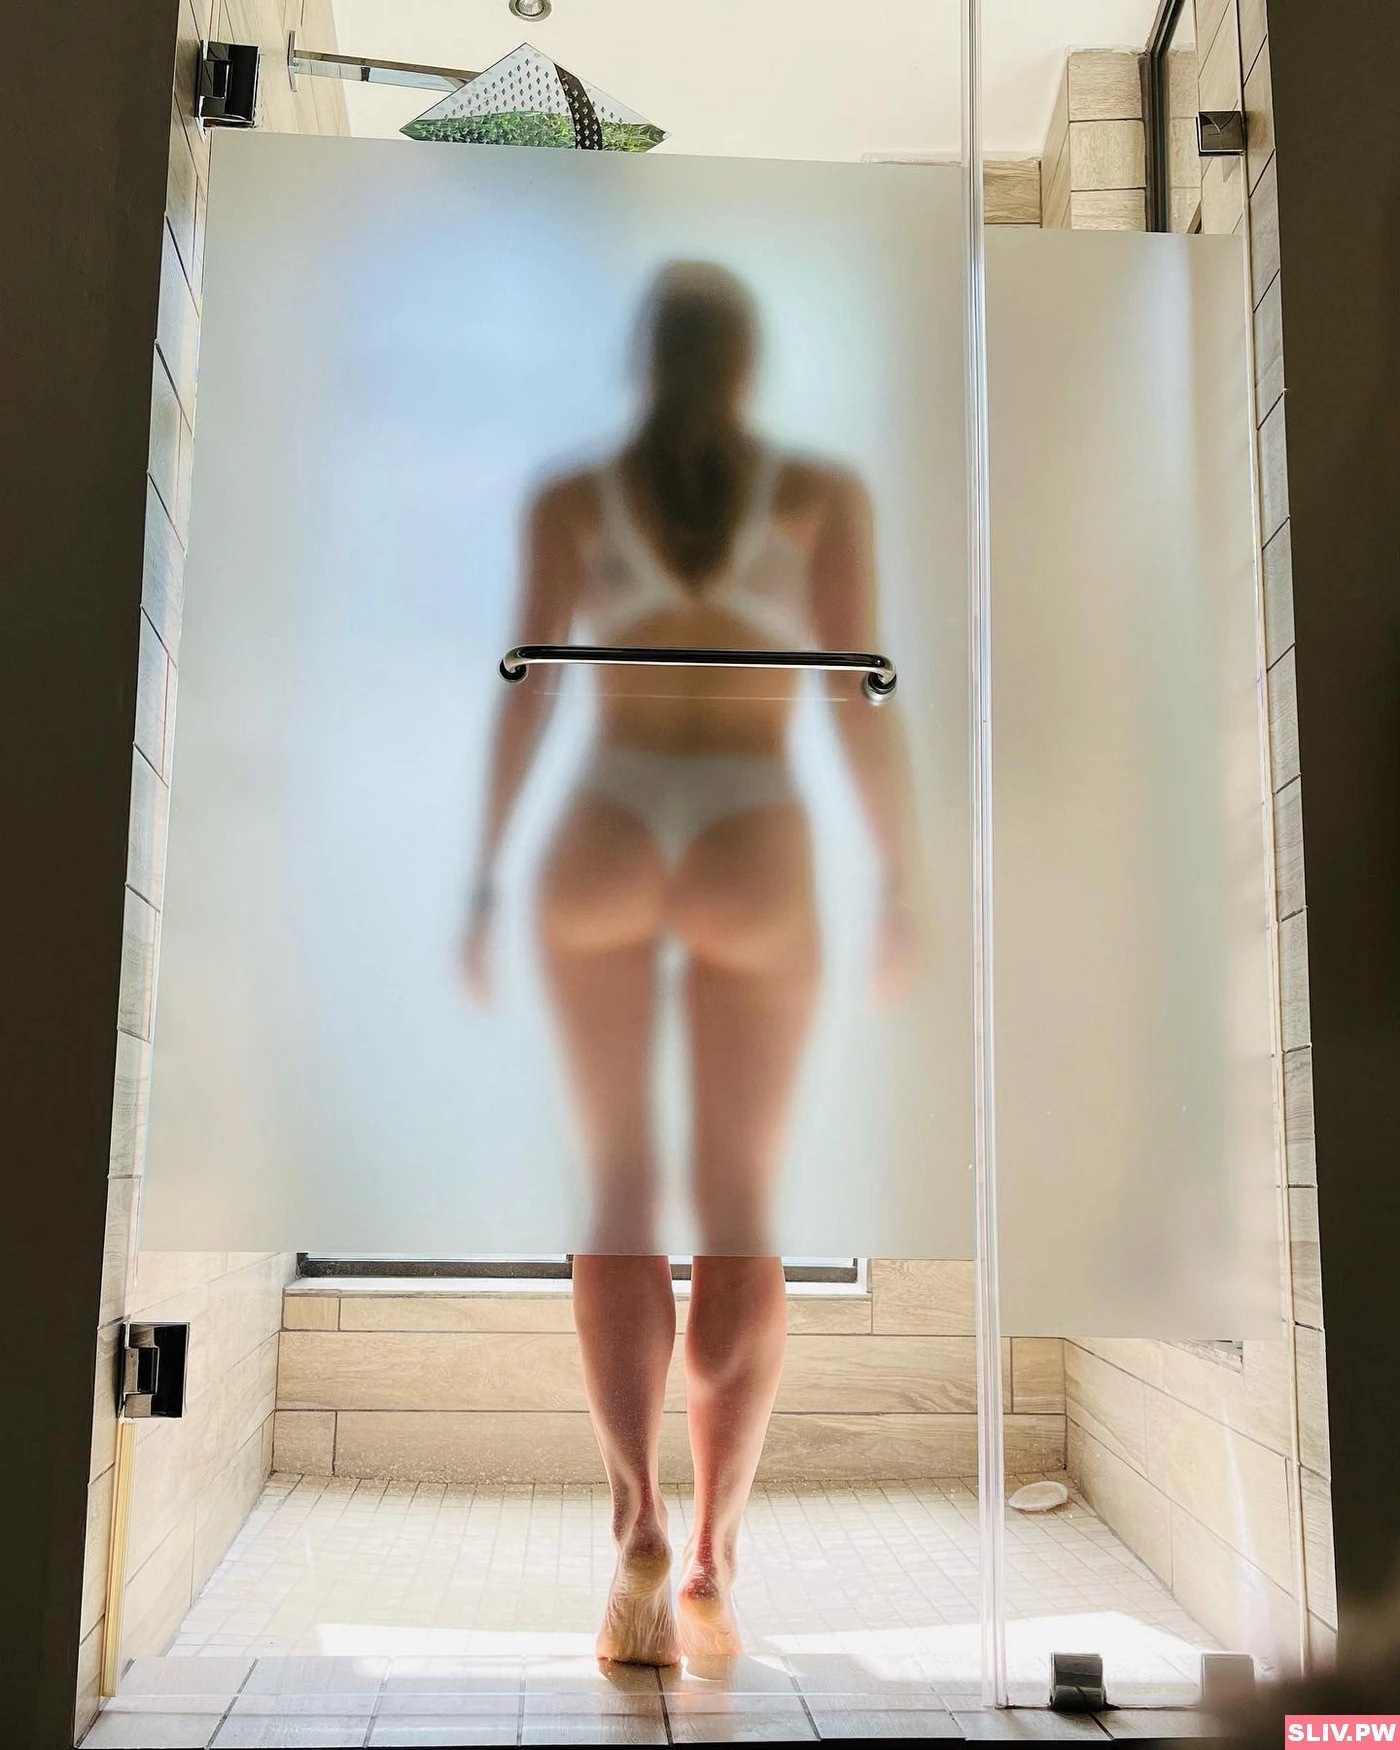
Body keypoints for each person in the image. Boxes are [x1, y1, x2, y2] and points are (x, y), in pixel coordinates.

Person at [462, 261, 919, 1666]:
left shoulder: (572, 496)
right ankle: (716, 1545)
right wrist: (902, 876)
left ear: (646, 360)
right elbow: (856, 696)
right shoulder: (820, 492)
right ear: (746, 366)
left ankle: (636, 1525)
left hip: (605, 822)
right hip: (750, 832)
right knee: (740, 1205)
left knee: (616, 1195)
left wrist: (481, 877)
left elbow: (528, 694)